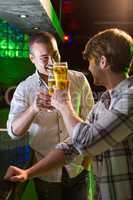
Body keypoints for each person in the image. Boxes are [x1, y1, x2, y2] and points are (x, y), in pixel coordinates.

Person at [4, 28, 133, 200]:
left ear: (102, 62)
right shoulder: (104, 103)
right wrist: (27, 172)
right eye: (44, 58)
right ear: (32, 59)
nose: (88, 67)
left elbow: (86, 142)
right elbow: (71, 146)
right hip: (57, 179)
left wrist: (64, 105)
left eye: (90, 61)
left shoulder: (129, 99)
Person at [5, 32, 94, 200]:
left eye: (55, 54)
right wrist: (33, 109)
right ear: (32, 59)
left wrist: (86, 163)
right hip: (46, 173)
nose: (53, 62)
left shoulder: (79, 80)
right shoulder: (25, 89)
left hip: (78, 169)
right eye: (45, 58)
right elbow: (13, 132)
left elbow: (91, 121)